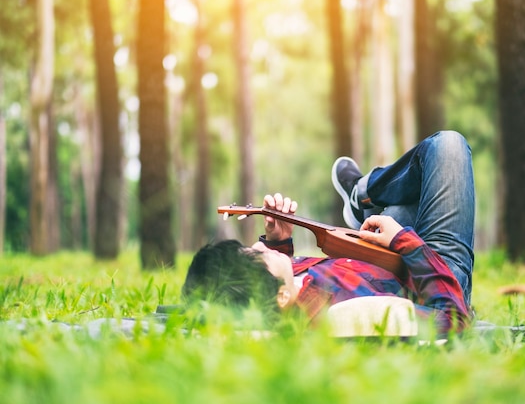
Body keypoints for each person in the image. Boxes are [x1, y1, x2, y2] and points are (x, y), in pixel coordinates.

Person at [183, 130, 475, 336]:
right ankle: (364, 192)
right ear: (283, 297)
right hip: (438, 278)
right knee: (448, 148)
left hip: (391, 260)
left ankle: (364, 197)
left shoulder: (282, 291)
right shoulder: (343, 314)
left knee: (398, 212)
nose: (256, 247)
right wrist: (405, 242)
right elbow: (453, 320)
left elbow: (277, 286)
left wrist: (278, 244)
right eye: (254, 255)